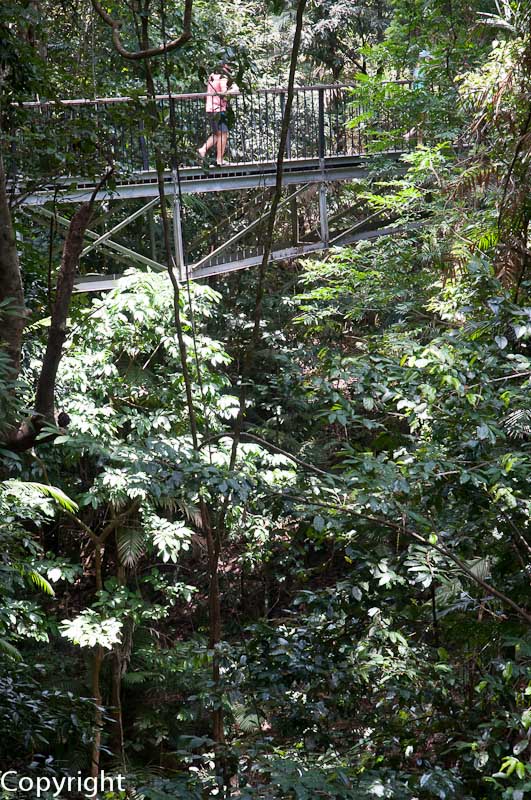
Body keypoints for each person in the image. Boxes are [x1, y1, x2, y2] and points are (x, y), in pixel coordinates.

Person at [197, 62, 239, 166]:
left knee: (217, 134)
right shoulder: (222, 78)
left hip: (210, 107)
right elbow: (224, 96)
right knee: (223, 134)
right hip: (218, 109)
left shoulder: (212, 76)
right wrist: (234, 90)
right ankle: (219, 160)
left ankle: (203, 149)